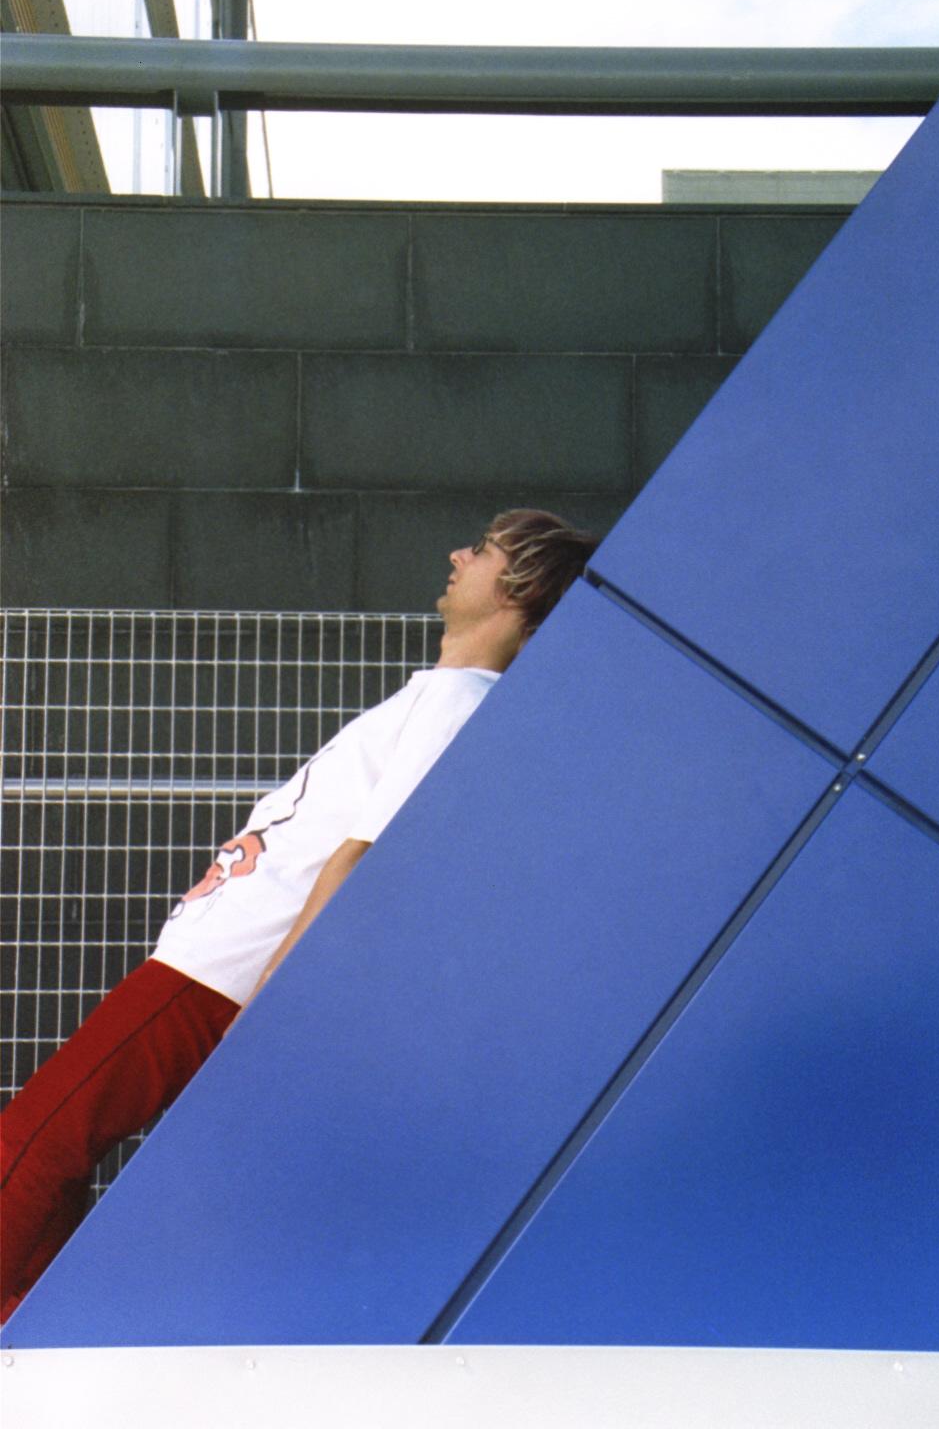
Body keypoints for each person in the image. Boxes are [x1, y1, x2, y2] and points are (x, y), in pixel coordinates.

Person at [0, 508, 597, 1321]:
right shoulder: (439, 696)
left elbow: (364, 858)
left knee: (36, 1140)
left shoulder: (461, 701)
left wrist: (274, 995)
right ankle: (31, 1324)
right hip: (212, 969)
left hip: (221, 976)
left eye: (484, 549)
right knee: (59, 1149)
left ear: (519, 588)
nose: (458, 554)